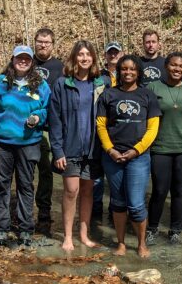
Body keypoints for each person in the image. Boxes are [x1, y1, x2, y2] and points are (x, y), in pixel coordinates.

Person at [97, 54, 162, 258]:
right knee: (117, 201)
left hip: (138, 157)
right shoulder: (108, 95)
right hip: (112, 156)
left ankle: (142, 244)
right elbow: (101, 125)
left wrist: (137, 150)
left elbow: (153, 128)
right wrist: (110, 149)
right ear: (119, 71)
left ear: (138, 72)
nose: (128, 72)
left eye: (132, 69)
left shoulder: (147, 95)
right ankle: (121, 243)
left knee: (136, 203)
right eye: (124, 69)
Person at [0, 45, 51, 247]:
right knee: (2, 186)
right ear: (12, 59)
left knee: (25, 185)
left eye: (27, 59)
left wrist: (37, 117)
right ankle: (1, 229)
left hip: (29, 143)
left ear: (32, 62)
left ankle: (25, 228)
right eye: (19, 58)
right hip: (2, 143)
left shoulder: (40, 84)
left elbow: (47, 109)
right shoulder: (0, 82)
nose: (22, 61)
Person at [49, 40, 110, 252]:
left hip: (93, 148)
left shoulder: (101, 83)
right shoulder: (63, 83)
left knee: (87, 191)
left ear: (93, 58)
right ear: (75, 58)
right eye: (81, 55)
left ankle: (84, 234)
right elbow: (54, 119)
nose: (84, 58)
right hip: (70, 147)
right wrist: (57, 150)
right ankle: (67, 236)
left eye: (88, 54)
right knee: (71, 191)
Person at [146, 52, 182, 245]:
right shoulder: (154, 88)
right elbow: (145, 116)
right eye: (173, 65)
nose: (177, 69)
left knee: (180, 190)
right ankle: (152, 228)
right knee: (160, 190)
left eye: (181, 66)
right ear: (166, 66)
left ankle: (175, 230)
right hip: (160, 148)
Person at [33, 27, 63, 227]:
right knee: (24, 169)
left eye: (47, 42)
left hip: (49, 126)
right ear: (34, 42)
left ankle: (43, 208)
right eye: (40, 41)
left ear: (53, 44)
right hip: (24, 126)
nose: (43, 45)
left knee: (45, 169)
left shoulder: (60, 67)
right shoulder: (24, 61)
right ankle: (23, 207)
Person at [94, 41, 123, 217]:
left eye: (116, 52)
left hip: (120, 131)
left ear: (121, 53)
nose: (113, 55)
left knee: (117, 175)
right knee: (97, 174)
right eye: (110, 53)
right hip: (100, 128)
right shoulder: (97, 76)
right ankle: (95, 212)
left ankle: (116, 211)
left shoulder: (128, 73)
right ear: (105, 55)